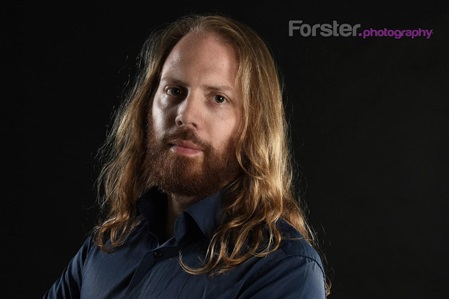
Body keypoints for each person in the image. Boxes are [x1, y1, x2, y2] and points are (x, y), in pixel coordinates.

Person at [44, 13, 331, 298]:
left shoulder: (284, 269)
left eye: (218, 98)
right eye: (174, 91)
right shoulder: (107, 246)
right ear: (147, 105)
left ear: (254, 126)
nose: (185, 115)